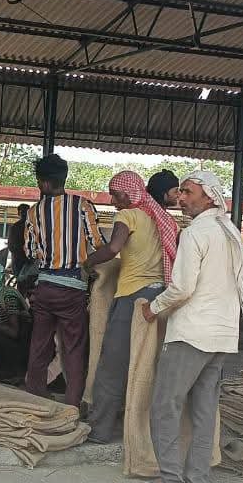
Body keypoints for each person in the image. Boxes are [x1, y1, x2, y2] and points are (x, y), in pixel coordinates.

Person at [132, 172, 243, 483]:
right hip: (223, 334)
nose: (181, 198)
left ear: (209, 197)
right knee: (204, 412)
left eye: (188, 192)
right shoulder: (230, 231)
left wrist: (153, 308)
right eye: (181, 192)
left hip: (192, 333)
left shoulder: (196, 232)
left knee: (164, 406)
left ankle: (171, 482)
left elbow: (183, 287)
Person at [83, 170, 179, 444]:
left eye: (116, 195)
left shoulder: (128, 216)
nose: (113, 201)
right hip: (160, 298)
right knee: (146, 364)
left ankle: (100, 430)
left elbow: (113, 249)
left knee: (112, 365)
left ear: (129, 193)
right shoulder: (165, 221)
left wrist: (88, 262)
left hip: (132, 298)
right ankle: (142, 428)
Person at [22, 154, 105, 407]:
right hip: (72, 288)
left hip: (45, 288)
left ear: (45, 183)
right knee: (73, 347)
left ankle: (35, 397)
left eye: (39, 181)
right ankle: (72, 403)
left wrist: (48, 254)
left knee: (39, 344)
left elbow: (30, 251)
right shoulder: (82, 205)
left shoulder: (34, 212)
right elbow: (97, 243)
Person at [7, 204, 31, 277]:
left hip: (18, 261)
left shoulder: (15, 227)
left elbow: (11, 246)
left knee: (20, 280)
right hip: (30, 260)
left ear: (18, 213)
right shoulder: (33, 226)